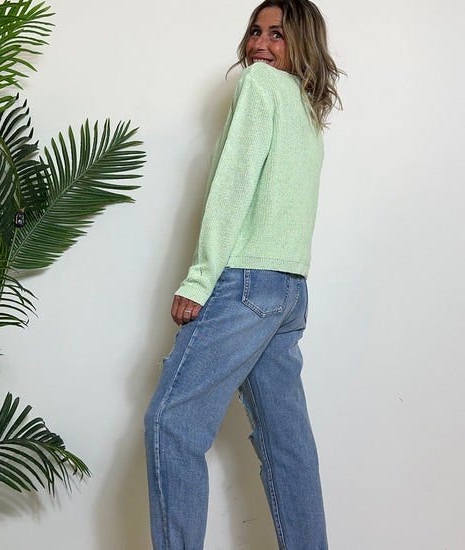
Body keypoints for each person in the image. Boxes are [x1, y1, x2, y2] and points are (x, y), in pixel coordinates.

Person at [144, 1, 342, 548]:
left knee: (171, 425)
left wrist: (199, 279)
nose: (260, 44)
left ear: (302, 43)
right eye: (256, 31)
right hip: (288, 292)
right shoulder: (306, 109)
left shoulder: (260, 85)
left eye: (277, 34)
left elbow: (234, 185)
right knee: (287, 445)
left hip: (245, 286)